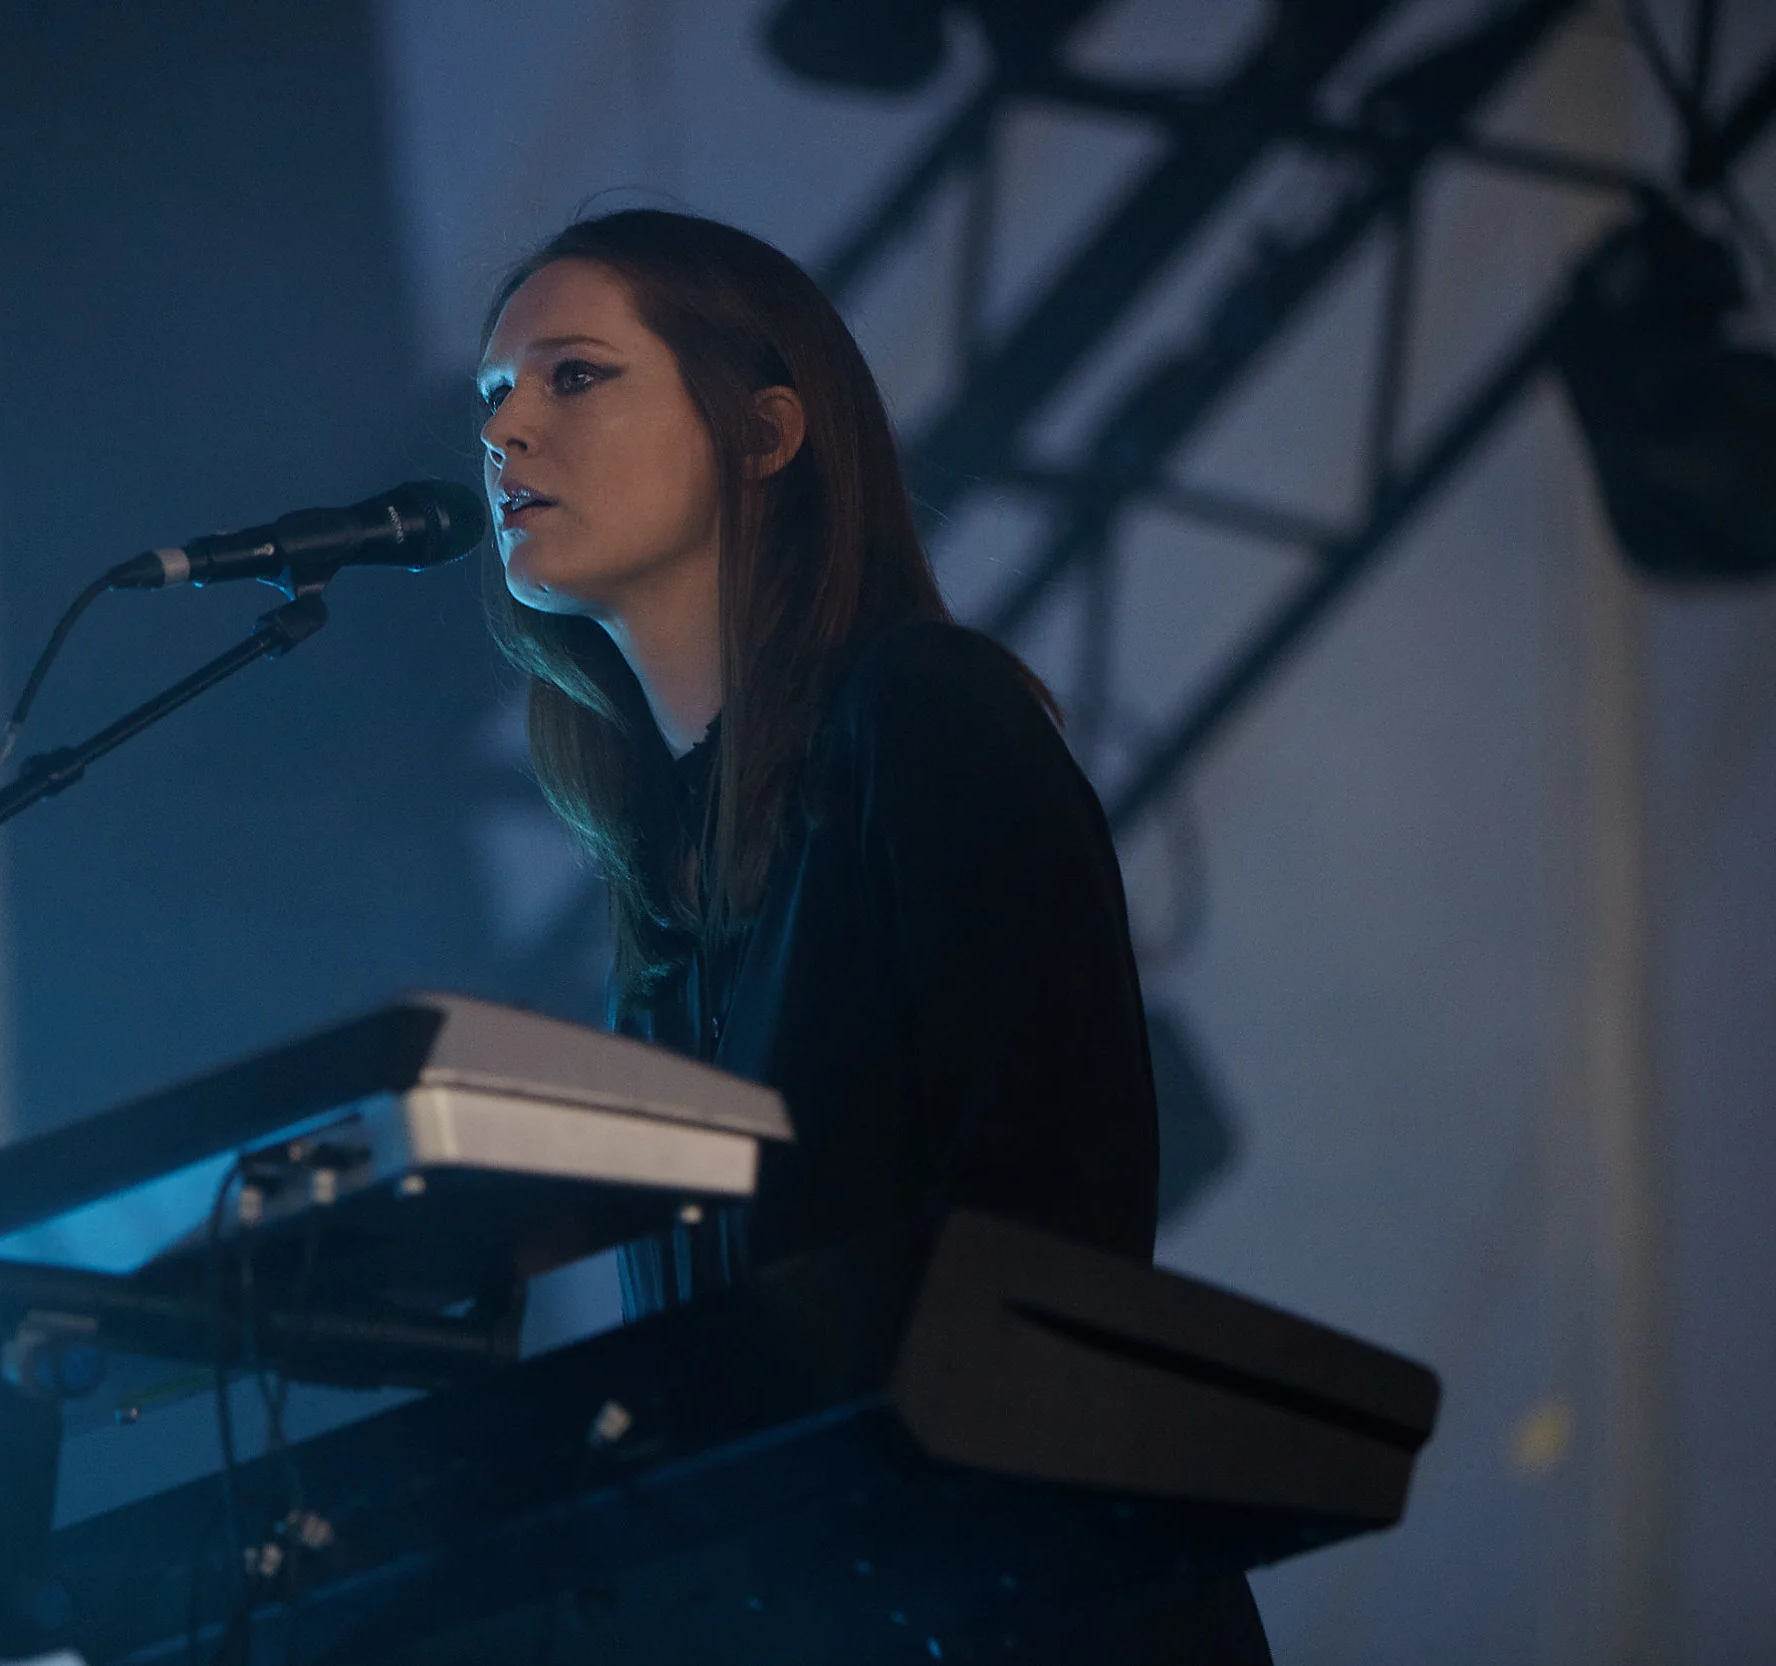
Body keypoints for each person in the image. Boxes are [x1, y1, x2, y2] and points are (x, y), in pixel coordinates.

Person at [475, 208, 1270, 1664]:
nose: (508, 427)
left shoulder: (927, 714)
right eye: (492, 398)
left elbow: (1058, 1238)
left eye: (573, 376)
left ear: (765, 431)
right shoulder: (664, 887)